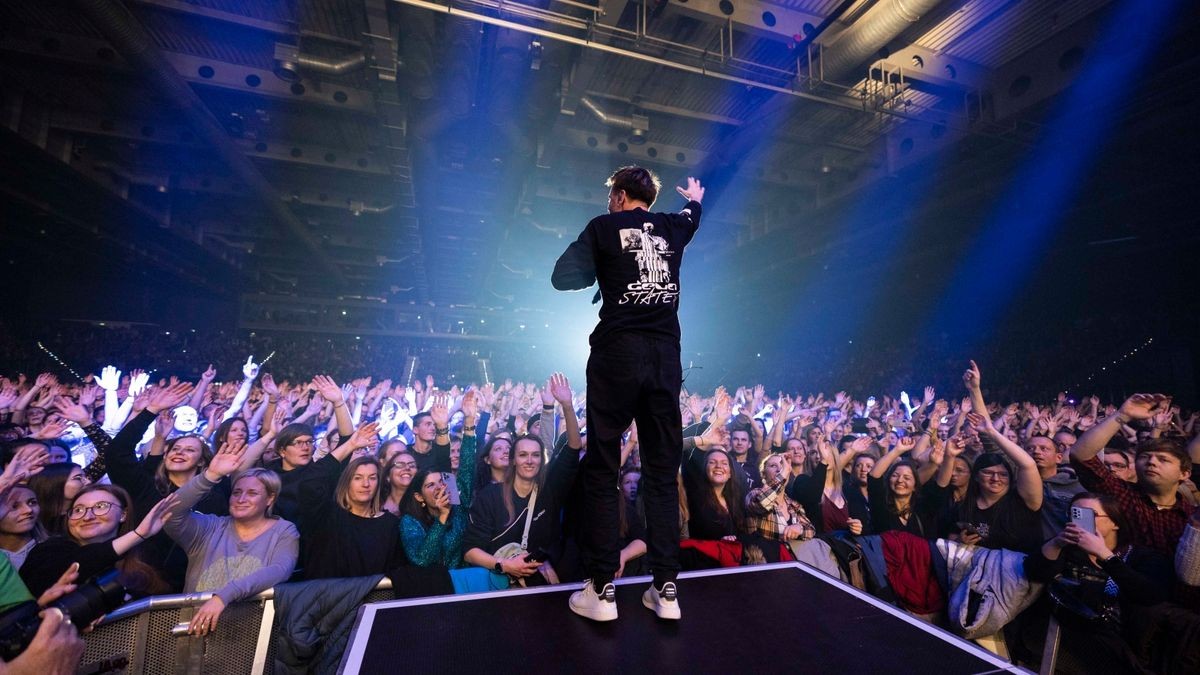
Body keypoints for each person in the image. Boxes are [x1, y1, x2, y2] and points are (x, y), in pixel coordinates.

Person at [553, 166, 704, 622]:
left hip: (618, 354)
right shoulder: (674, 226)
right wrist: (695, 198)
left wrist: (603, 265)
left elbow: (563, 277)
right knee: (661, 473)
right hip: (664, 358)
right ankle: (666, 589)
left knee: (602, 467)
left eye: (611, 198)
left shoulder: (603, 227)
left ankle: (601, 590)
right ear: (649, 199)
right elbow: (693, 215)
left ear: (619, 196)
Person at [163, 441, 298, 636]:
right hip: (195, 628)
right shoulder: (209, 527)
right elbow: (170, 514)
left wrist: (223, 596)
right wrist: (211, 476)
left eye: (252, 493)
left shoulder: (284, 530)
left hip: (249, 636)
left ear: (270, 499)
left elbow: (280, 569)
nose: (241, 499)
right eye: (237, 492)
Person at [462, 374, 582, 586]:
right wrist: (504, 565)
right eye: (523, 455)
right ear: (513, 460)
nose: (529, 460)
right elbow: (470, 551)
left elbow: (573, 446)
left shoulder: (549, 490)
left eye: (535, 455)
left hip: (540, 587)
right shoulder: (491, 496)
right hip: (498, 587)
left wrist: (567, 405)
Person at [1067, 392, 1194, 555]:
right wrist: (1123, 415)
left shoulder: (1192, 517)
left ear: (1184, 474)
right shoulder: (1121, 495)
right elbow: (1081, 456)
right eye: (1144, 457)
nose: (1152, 462)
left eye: (1163, 460)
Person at [20, 484, 177, 598]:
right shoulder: (49, 550)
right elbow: (79, 563)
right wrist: (138, 534)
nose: (88, 517)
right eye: (78, 510)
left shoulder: (144, 554)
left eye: (101, 506)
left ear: (123, 514)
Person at [398, 390, 481, 568]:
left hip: (463, 590)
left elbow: (466, 465)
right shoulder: (410, 521)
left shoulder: (457, 506)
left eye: (441, 482)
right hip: (432, 592)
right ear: (419, 496)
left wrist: (469, 420)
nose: (438, 487)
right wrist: (442, 519)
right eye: (429, 485)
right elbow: (422, 560)